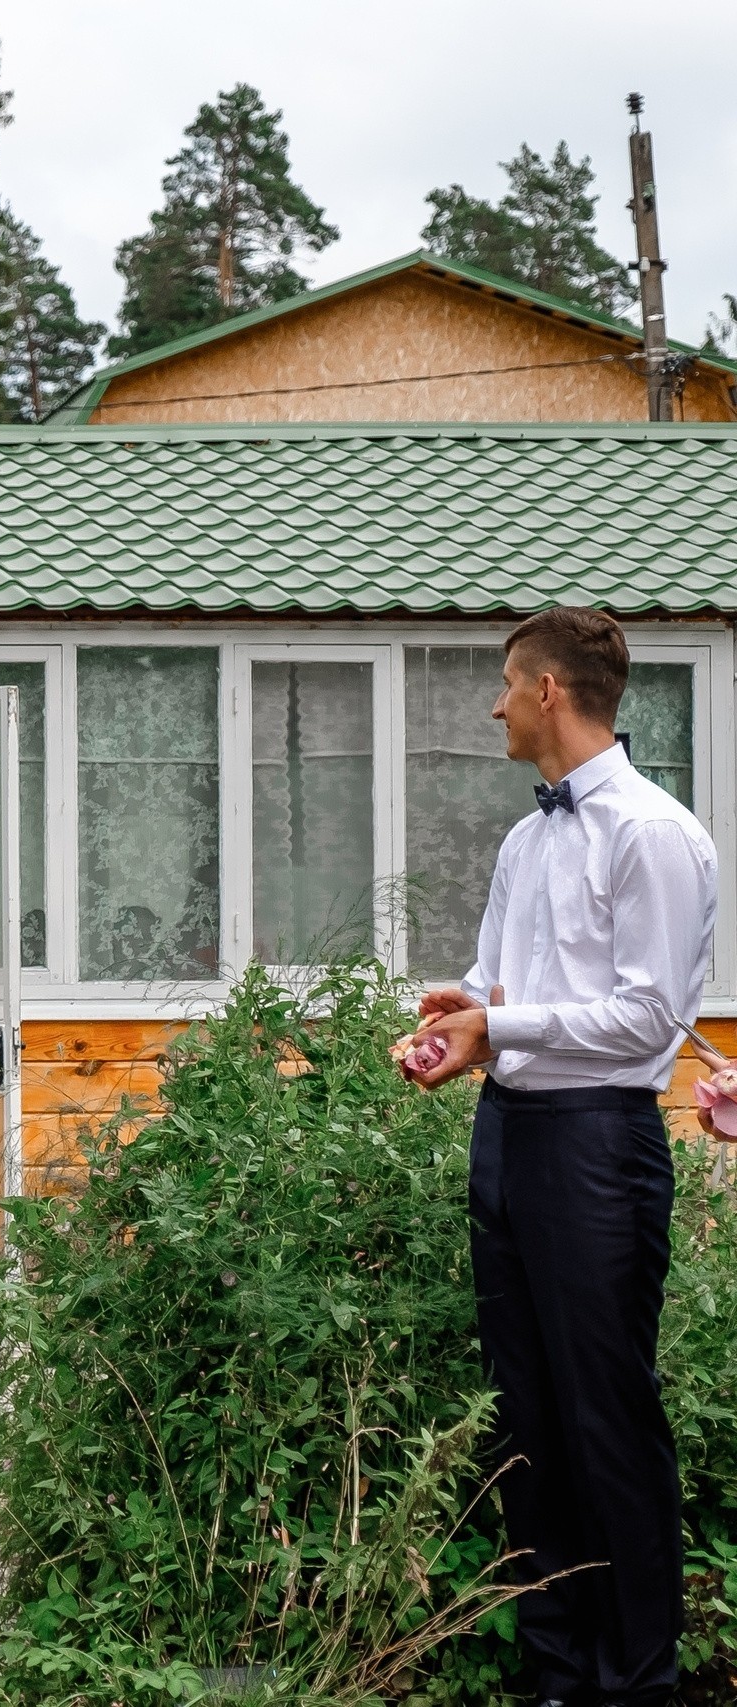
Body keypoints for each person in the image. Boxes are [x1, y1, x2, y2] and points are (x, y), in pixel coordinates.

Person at [410, 607, 717, 1706]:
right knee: (523, 1421)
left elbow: (643, 1021)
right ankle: (555, 1677)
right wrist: (460, 1022)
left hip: (596, 1147)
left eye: (503, 683)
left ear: (548, 691)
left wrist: (509, 1026)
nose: (492, 705)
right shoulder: (524, 839)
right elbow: (504, 990)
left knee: (604, 1418)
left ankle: (637, 1685)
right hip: (509, 1137)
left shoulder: (654, 833)